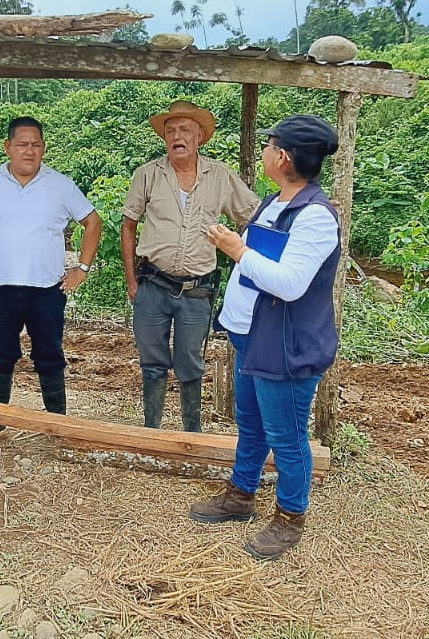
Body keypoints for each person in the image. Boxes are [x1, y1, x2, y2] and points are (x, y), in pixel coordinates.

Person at [187, 115, 342, 562]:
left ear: (284, 157)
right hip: (253, 337)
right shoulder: (276, 202)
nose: (265, 153)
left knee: (287, 437)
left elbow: (289, 284)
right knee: (252, 423)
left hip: (284, 346)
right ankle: (241, 494)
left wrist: (236, 250)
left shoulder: (314, 217)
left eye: (270, 147)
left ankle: (290, 518)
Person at [0, 117, 102, 443]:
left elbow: (93, 222)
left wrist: (82, 268)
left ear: (44, 148)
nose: (29, 151)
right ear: (8, 147)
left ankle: (56, 422)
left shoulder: (60, 185)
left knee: (50, 355)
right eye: (22, 144)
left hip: (47, 290)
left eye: (35, 144)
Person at [121, 100, 259, 432]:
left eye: (185, 130)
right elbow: (128, 225)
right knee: (152, 363)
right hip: (152, 285)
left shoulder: (220, 176)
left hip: (197, 290)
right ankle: (152, 431)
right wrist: (131, 281)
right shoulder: (148, 174)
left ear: (200, 137)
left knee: (190, 364)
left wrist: (297, 209)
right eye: (171, 131)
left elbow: (253, 215)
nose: (177, 137)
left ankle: (192, 434)